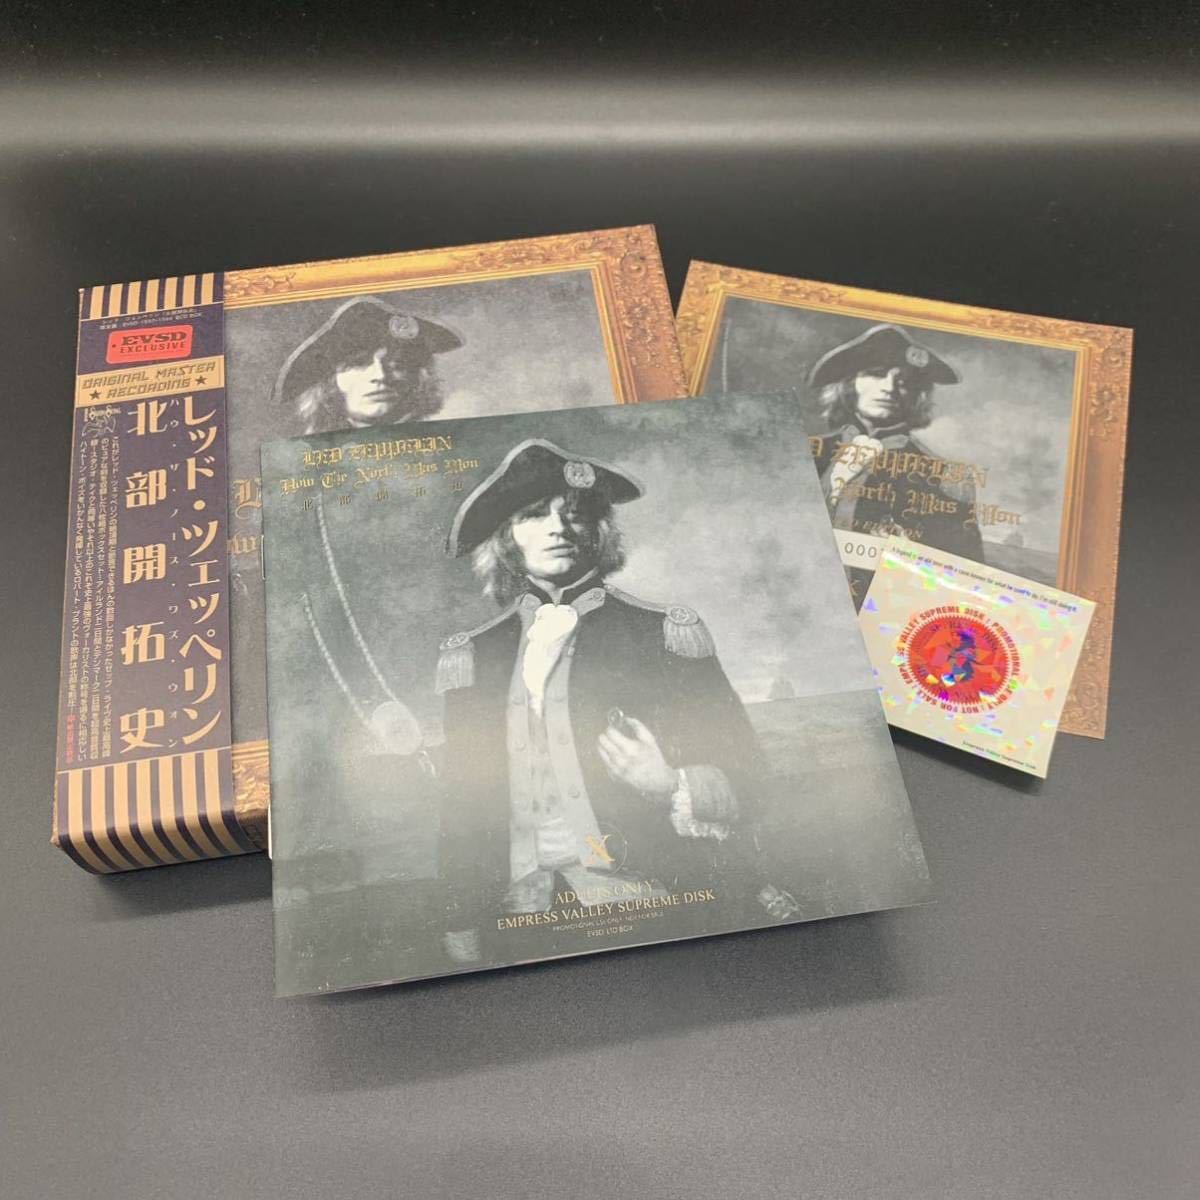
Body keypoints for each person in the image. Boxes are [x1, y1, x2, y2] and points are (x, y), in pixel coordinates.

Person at [434, 438, 785, 965]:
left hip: (652, 894)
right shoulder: (474, 655)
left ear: (598, 530)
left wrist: (670, 782)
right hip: (517, 909)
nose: (558, 527)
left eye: (575, 513)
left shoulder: (662, 634)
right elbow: (461, 802)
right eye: (534, 515)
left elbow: (750, 775)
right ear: (507, 536)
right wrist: (459, 916)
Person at [808, 323, 985, 602]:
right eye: (876, 374)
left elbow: (963, 588)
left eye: (904, 381)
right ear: (850, 383)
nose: (889, 387)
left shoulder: (947, 477)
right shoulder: (808, 452)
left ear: (918, 395)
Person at [274, 295, 463, 434]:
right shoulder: (308, 459)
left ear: (419, 379)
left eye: (397, 364)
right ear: (329, 383)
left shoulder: (455, 444)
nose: (380, 375)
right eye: (358, 364)